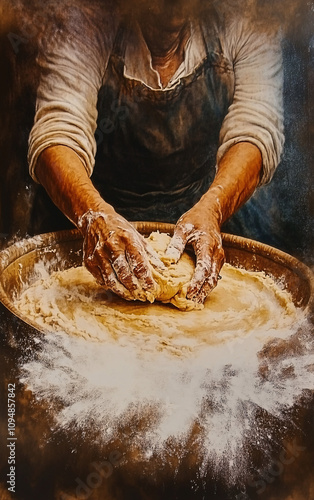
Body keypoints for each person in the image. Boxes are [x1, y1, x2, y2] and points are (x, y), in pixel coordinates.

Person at [28, 0, 284, 305]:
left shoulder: (248, 13)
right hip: (93, 214)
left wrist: (213, 208)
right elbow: (59, 131)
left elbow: (255, 128)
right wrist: (95, 215)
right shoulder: (84, 15)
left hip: (203, 208)